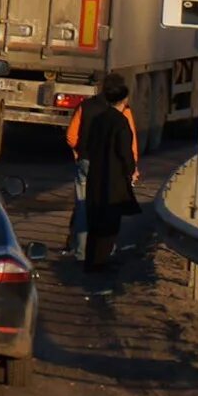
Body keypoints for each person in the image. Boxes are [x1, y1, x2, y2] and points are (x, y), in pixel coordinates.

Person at [64, 76, 139, 261]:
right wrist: (132, 168)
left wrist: (79, 153)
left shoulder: (85, 106)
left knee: (83, 206)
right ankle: (105, 252)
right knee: (108, 208)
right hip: (110, 168)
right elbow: (129, 143)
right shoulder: (122, 112)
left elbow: (71, 136)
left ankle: (81, 252)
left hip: (86, 162)